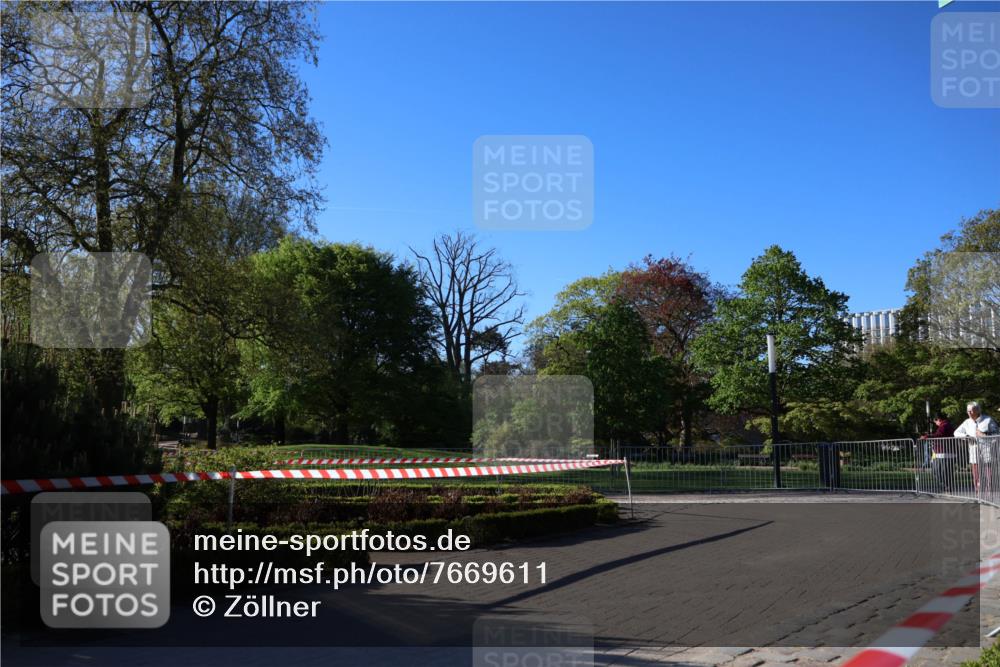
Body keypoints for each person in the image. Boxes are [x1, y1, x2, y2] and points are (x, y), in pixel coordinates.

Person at [954, 402, 1000, 494]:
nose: (969, 413)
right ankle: (977, 490)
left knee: (988, 470)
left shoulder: (988, 420)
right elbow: (956, 433)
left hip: (987, 448)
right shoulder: (967, 422)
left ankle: (989, 489)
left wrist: (984, 434)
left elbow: (997, 433)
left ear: (978, 410)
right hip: (973, 448)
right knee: (975, 470)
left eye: (971, 410)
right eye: (968, 411)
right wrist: (966, 436)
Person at [921, 412, 956, 490]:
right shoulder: (946, 425)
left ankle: (947, 485)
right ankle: (947, 485)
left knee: (939, 471)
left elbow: (939, 435)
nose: (935, 423)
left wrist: (927, 436)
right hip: (944, 453)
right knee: (944, 471)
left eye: (935, 421)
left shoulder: (944, 426)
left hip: (944, 453)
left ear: (939, 420)